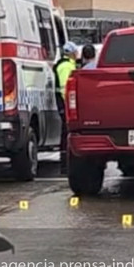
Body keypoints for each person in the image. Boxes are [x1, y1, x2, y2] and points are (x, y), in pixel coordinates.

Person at [54, 42, 79, 173]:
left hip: (64, 103)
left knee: (66, 132)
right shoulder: (65, 66)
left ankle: (66, 162)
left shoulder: (68, 64)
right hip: (64, 103)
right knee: (65, 133)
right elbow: (65, 88)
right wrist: (68, 105)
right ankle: (65, 164)